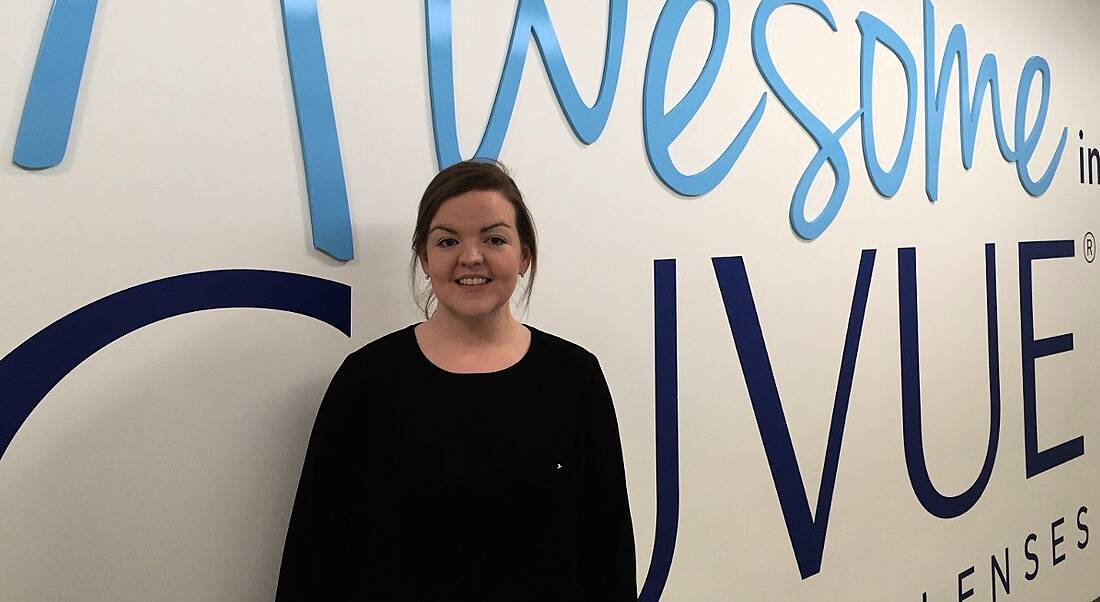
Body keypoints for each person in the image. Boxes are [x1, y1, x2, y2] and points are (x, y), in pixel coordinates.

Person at [275, 160, 637, 600]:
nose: (471, 256)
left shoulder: (574, 377)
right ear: (425, 259)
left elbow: (608, 549)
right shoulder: (367, 381)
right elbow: (314, 552)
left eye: (494, 238)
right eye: (448, 240)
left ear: (524, 255)